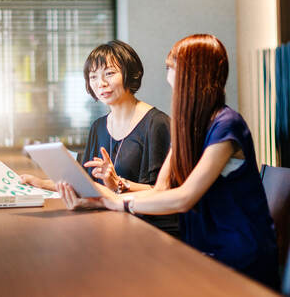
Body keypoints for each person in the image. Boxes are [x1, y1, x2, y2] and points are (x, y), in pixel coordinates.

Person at [57, 34, 279, 289]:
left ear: (196, 73)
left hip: (236, 253)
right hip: (199, 245)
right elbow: (162, 189)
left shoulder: (227, 125)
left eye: (172, 67)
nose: (168, 75)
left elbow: (184, 197)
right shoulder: (188, 126)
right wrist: (104, 198)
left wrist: (117, 203)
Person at [20, 40, 178, 235]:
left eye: (109, 74)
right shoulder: (98, 126)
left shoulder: (157, 123)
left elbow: (162, 192)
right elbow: (86, 183)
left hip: (147, 228)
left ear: (131, 73)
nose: (100, 83)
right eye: (93, 76)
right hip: (109, 222)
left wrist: (118, 183)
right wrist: (41, 183)